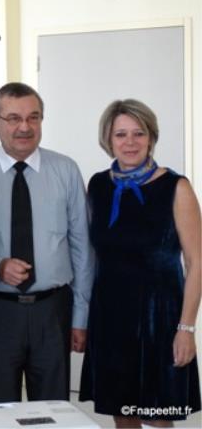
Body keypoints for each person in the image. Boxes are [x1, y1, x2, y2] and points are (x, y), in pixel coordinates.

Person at [0, 82, 94, 404]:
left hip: (52, 312)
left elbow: (82, 248)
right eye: (13, 118)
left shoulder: (65, 169)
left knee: (52, 412)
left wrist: (80, 317)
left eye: (33, 117)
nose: (25, 127)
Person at [79, 99, 201, 427]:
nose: (130, 142)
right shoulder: (98, 186)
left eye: (139, 133)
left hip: (160, 317)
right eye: (121, 134)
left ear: (151, 137)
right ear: (108, 139)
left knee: (160, 415)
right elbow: (91, 253)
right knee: (123, 413)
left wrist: (186, 329)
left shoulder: (177, 187)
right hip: (111, 316)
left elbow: (196, 261)